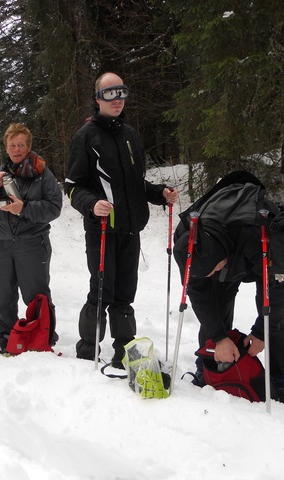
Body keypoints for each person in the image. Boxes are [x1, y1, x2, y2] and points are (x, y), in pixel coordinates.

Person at [65, 72, 179, 367]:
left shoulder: (130, 134)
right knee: (102, 289)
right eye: (109, 94)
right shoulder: (85, 137)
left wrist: (159, 193)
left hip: (130, 229)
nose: (117, 100)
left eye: (121, 93)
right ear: (98, 99)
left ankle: (124, 353)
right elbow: (73, 186)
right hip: (102, 228)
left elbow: (133, 184)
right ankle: (88, 350)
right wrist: (92, 205)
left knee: (125, 293)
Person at [172, 171, 284, 411]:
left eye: (211, 270)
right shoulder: (187, 234)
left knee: (272, 313)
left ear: (220, 260)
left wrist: (262, 332)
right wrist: (219, 337)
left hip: (256, 251)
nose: (207, 275)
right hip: (225, 250)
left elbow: (280, 287)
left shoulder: (265, 232)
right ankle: (209, 364)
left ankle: (279, 377)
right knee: (215, 306)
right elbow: (198, 291)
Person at [0, 123, 62, 353]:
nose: (16, 149)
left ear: (28, 146)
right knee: (2, 293)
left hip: (32, 242)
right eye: (12, 145)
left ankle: (43, 333)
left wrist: (24, 208)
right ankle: (6, 335)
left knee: (36, 294)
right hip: (1, 242)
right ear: (6, 147)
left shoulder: (42, 173)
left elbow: (54, 208)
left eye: (21, 144)